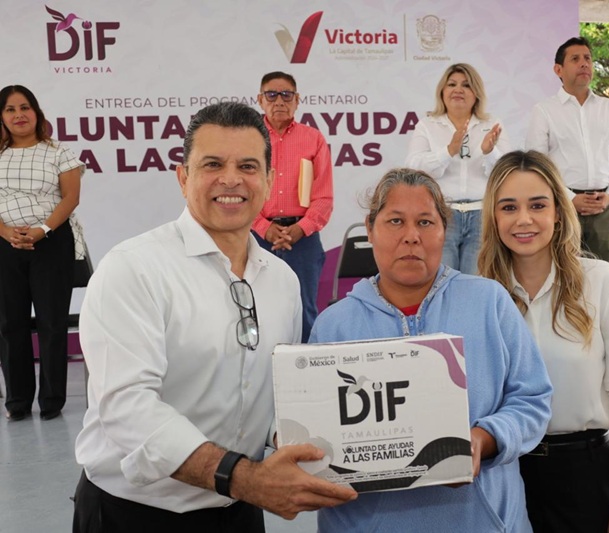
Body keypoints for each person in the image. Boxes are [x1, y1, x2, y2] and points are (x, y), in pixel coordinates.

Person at [73, 102, 356, 533]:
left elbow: (277, 395)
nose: (231, 179)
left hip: (238, 510)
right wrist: (244, 478)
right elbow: (128, 408)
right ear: (183, 177)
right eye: (213, 164)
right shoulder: (133, 269)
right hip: (136, 514)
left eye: (247, 166)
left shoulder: (282, 280)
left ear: (269, 179)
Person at [309, 168, 552, 532]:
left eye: (425, 222)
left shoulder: (489, 302)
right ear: (370, 229)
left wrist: (484, 439)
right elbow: (314, 428)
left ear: (444, 230)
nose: (411, 236)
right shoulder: (333, 325)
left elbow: (533, 400)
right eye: (395, 221)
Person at [478, 150, 609, 532]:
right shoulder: (478, 296)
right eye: (509, 207)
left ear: (559, 211)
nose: (524, 219)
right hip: (502, 477)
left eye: (537, 205)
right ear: (493, 216)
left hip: (583, 479)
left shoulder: (603, 283)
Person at [0, 85, 83, 422]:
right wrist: (5, 231)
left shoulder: (59, 152)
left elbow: (70, 198)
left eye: (25, 107)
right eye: (10, 109)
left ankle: (51, 400)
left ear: (36, 112)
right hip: (4, 244)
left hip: (51, 243)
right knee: (9, 324)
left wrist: (42, 229)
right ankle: (17, 401)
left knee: (52, 322)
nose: (19, 115)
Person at [524, 37, 609, 264]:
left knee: (602, 275)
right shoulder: (544, 111)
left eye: (588, 59)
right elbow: (536, 167)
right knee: (564, 273)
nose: (584, 63)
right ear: (558, 70)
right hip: (562, 207)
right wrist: (570, 198)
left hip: (604, 208)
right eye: (575, 59)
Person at [252, 71, 333, 342]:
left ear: (297, 100)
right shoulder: (249, 138)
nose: (279, 101)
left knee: (305, 310)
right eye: (271, 95)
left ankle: (309, 363)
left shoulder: (313, 139)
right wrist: (263, 227)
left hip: (303, 239)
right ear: (260, 100)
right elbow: (242, 191)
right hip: (257, 237)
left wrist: (301, 228)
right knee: (256, 308)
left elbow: (323, 197)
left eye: (286, 95)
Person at [406, 63, 509, 275]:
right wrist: (448, 151)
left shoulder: (492, 124)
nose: (458, 90)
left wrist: (490, 152)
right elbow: (413, 168)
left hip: (482, 216)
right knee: (441, 281)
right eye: (452, 84)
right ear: (442, 92)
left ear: (476, 93)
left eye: (466, 85)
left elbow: (507, 172)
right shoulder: (427, 125)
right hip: (441, 214)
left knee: (475, 283)